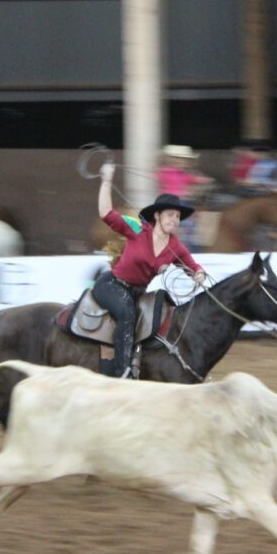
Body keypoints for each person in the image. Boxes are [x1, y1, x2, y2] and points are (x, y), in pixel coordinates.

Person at [95, 161, 206, 378]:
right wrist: (106, 180)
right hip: (112, 285)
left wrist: (199, 274)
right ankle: (123, 371)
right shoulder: (137, 228)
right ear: (157, 216)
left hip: (138, 292)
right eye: (170, 215)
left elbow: (192, 266)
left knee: (161, 311)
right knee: (126, 313)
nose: (175, 220)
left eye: (177, 217)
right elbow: (106, 213)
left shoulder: (175, 246)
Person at [157, 144, 212, 249]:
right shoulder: (168, 171)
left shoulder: (181, 173)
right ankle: (187, 246)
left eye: (185, 160)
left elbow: (193, 179)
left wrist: (204, 180)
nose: (185, 162)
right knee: (186, 224)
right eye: (181, 159)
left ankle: (188, 244)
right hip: (172, 203)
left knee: (191, 222)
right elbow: (192, 179)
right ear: (172, 160)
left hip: (180, 202)